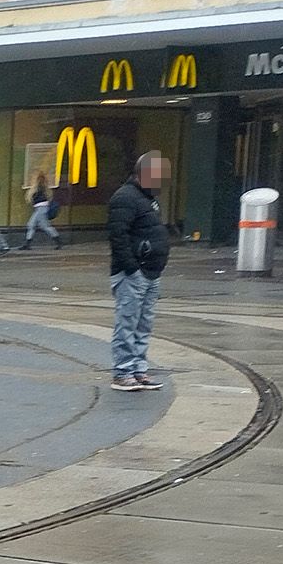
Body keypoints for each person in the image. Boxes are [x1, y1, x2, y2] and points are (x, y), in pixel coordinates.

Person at [107, 151, 173, 392]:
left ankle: (138, 370)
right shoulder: (125, 197)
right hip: (134, 273)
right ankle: (123, 372)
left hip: (150, 272)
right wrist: (132, 268)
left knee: (143, 324)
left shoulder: (147, 198)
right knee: (128, 323)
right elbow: (118, 236)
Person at [21, 171, 63, 250]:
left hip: (40, 208)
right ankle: (58, 241)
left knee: (35, 225)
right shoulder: (44, 187)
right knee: (39, 226)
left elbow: (33, 197)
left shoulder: (38, 187)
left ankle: (27, 244)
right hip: (42, 208)